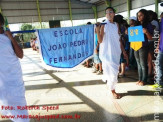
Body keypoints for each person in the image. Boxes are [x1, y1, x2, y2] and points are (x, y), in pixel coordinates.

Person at [0, 13, 29, 122]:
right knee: (6, 103)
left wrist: (11, 37)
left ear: (1, 23)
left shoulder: (8, 38)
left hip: (13, 78)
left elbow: (20, 55)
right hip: (1, 80)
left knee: (20, 107)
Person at [96, 7, 127, 99]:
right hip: (106, 53)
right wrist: (97, 29)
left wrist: (123, 51)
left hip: (116, 52)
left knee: (115, 71)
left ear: (114, 13)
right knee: (111, 73)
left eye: (110, 12)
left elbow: (118, 39)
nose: (108, 14)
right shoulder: (104, 25)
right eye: (106, 12)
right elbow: (100, 40)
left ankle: (111, 87)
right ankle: (113, 91)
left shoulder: (116, 24)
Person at [135, 9, 153, 86]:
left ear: (145, 16)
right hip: (135, 46)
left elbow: (151, 38)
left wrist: (146, 32)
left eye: (141, 15)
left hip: (143, 46)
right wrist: (128, 32)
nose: (139, 17)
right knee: (138, 64)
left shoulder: (148, 25)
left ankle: (144, 80)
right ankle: (140, 79)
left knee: (143, 64)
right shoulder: (136, 25)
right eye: (138, 15)